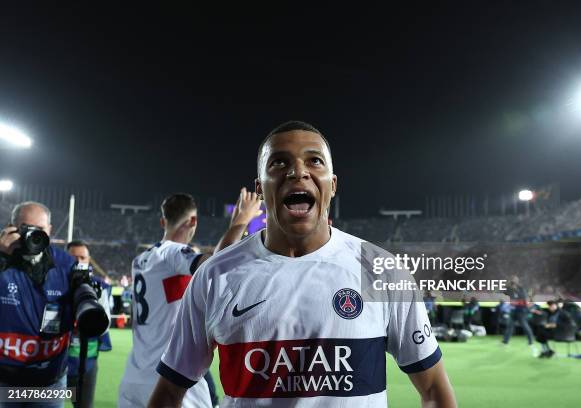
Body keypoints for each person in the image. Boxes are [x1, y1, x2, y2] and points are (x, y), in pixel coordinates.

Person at [149, 121, 457, 407]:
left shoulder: (381, 270)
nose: (298, 172)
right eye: (279, 162)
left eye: (314, 161)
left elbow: (432, 388)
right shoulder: (214, 276)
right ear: (260, 189)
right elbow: (169, 391)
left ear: (332, 184)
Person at [119, 191, 262, 408]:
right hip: (169, 375)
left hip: (134, 374)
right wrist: (240, 222)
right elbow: (217, 266)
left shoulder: (141, 260)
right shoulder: (173, 253)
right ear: (193, 221)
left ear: (162, 221)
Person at [0, 202, 76, 407]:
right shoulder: (2, 259)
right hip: (4, 382)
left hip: (49, 382)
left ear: (49, 230)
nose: (33, 235)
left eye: (40, 230)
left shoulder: (66, 264)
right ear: (10, 227)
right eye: (26, 228)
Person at [66, 241, 112, 408]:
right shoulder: (53, 283)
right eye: (73, 257)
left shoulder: (99, 287)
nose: (78, 261)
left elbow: (105, 325)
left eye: (82, 257)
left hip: (87, 363)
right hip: (56, 363)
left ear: (88, 259)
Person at [502, 275, 537, 356]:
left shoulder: (521, 289)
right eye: (512, 280)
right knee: (510, 327)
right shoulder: (509, 289)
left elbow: (524, 299)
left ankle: (531, 342)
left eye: (515, 280)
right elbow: (503, 292)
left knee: (525, 326)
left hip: (521, 311)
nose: (513, 281)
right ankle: (505, 342)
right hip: (513, 311)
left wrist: (518, 303)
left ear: (517, 281)